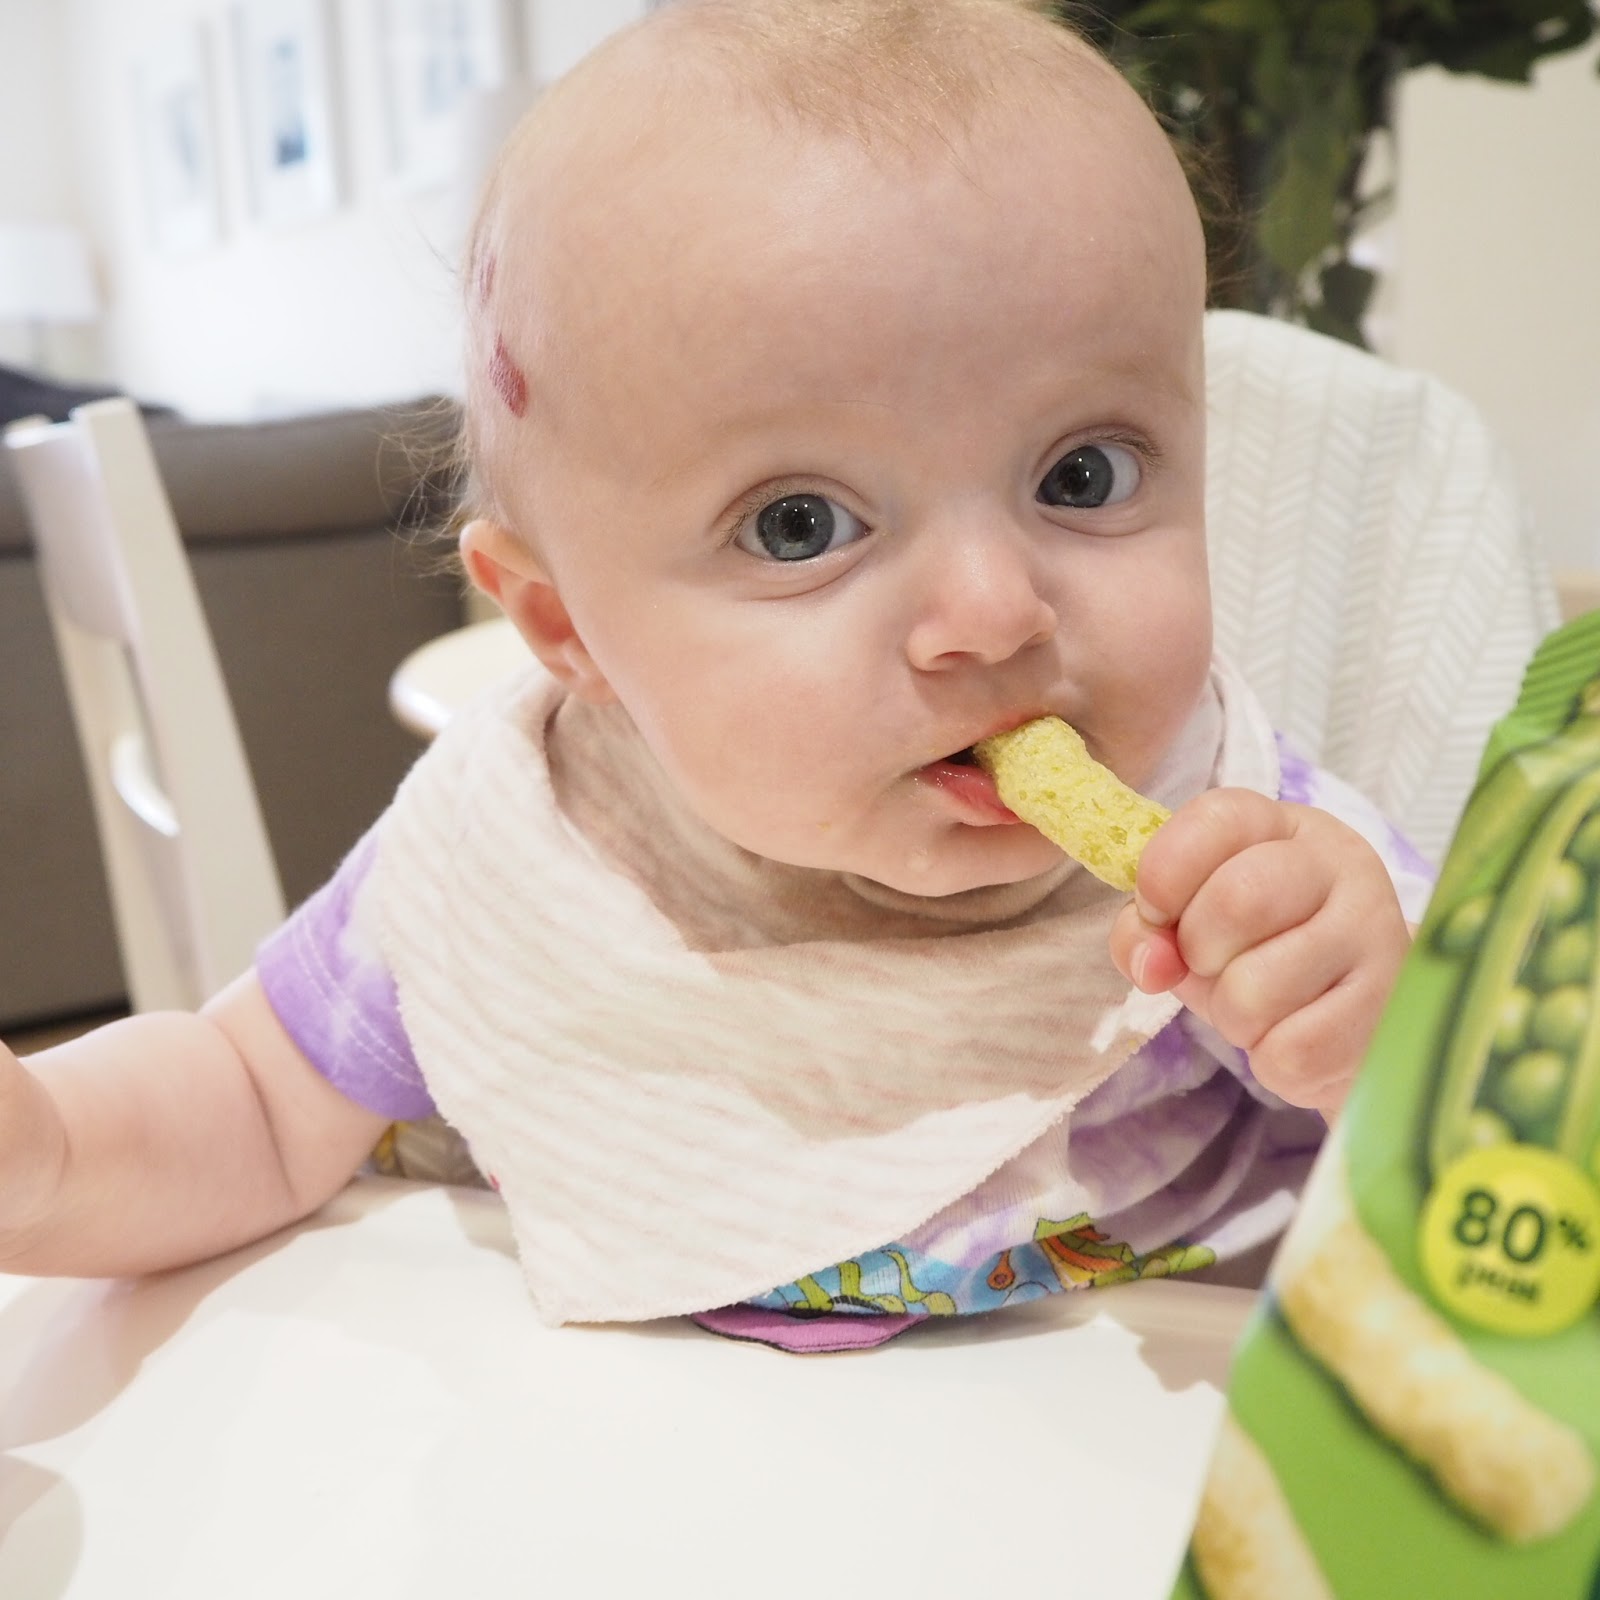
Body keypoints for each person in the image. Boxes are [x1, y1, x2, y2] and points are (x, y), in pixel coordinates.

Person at [0, 0, 1427, 1352]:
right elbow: (251, 1101)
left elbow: (1500, 1171)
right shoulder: (529, 847)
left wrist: (1375, 1036)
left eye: (1084, 473)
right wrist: (51, 1155)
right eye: (800, 525)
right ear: (567, 633)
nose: (992, 614)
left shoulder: (1257, 856)